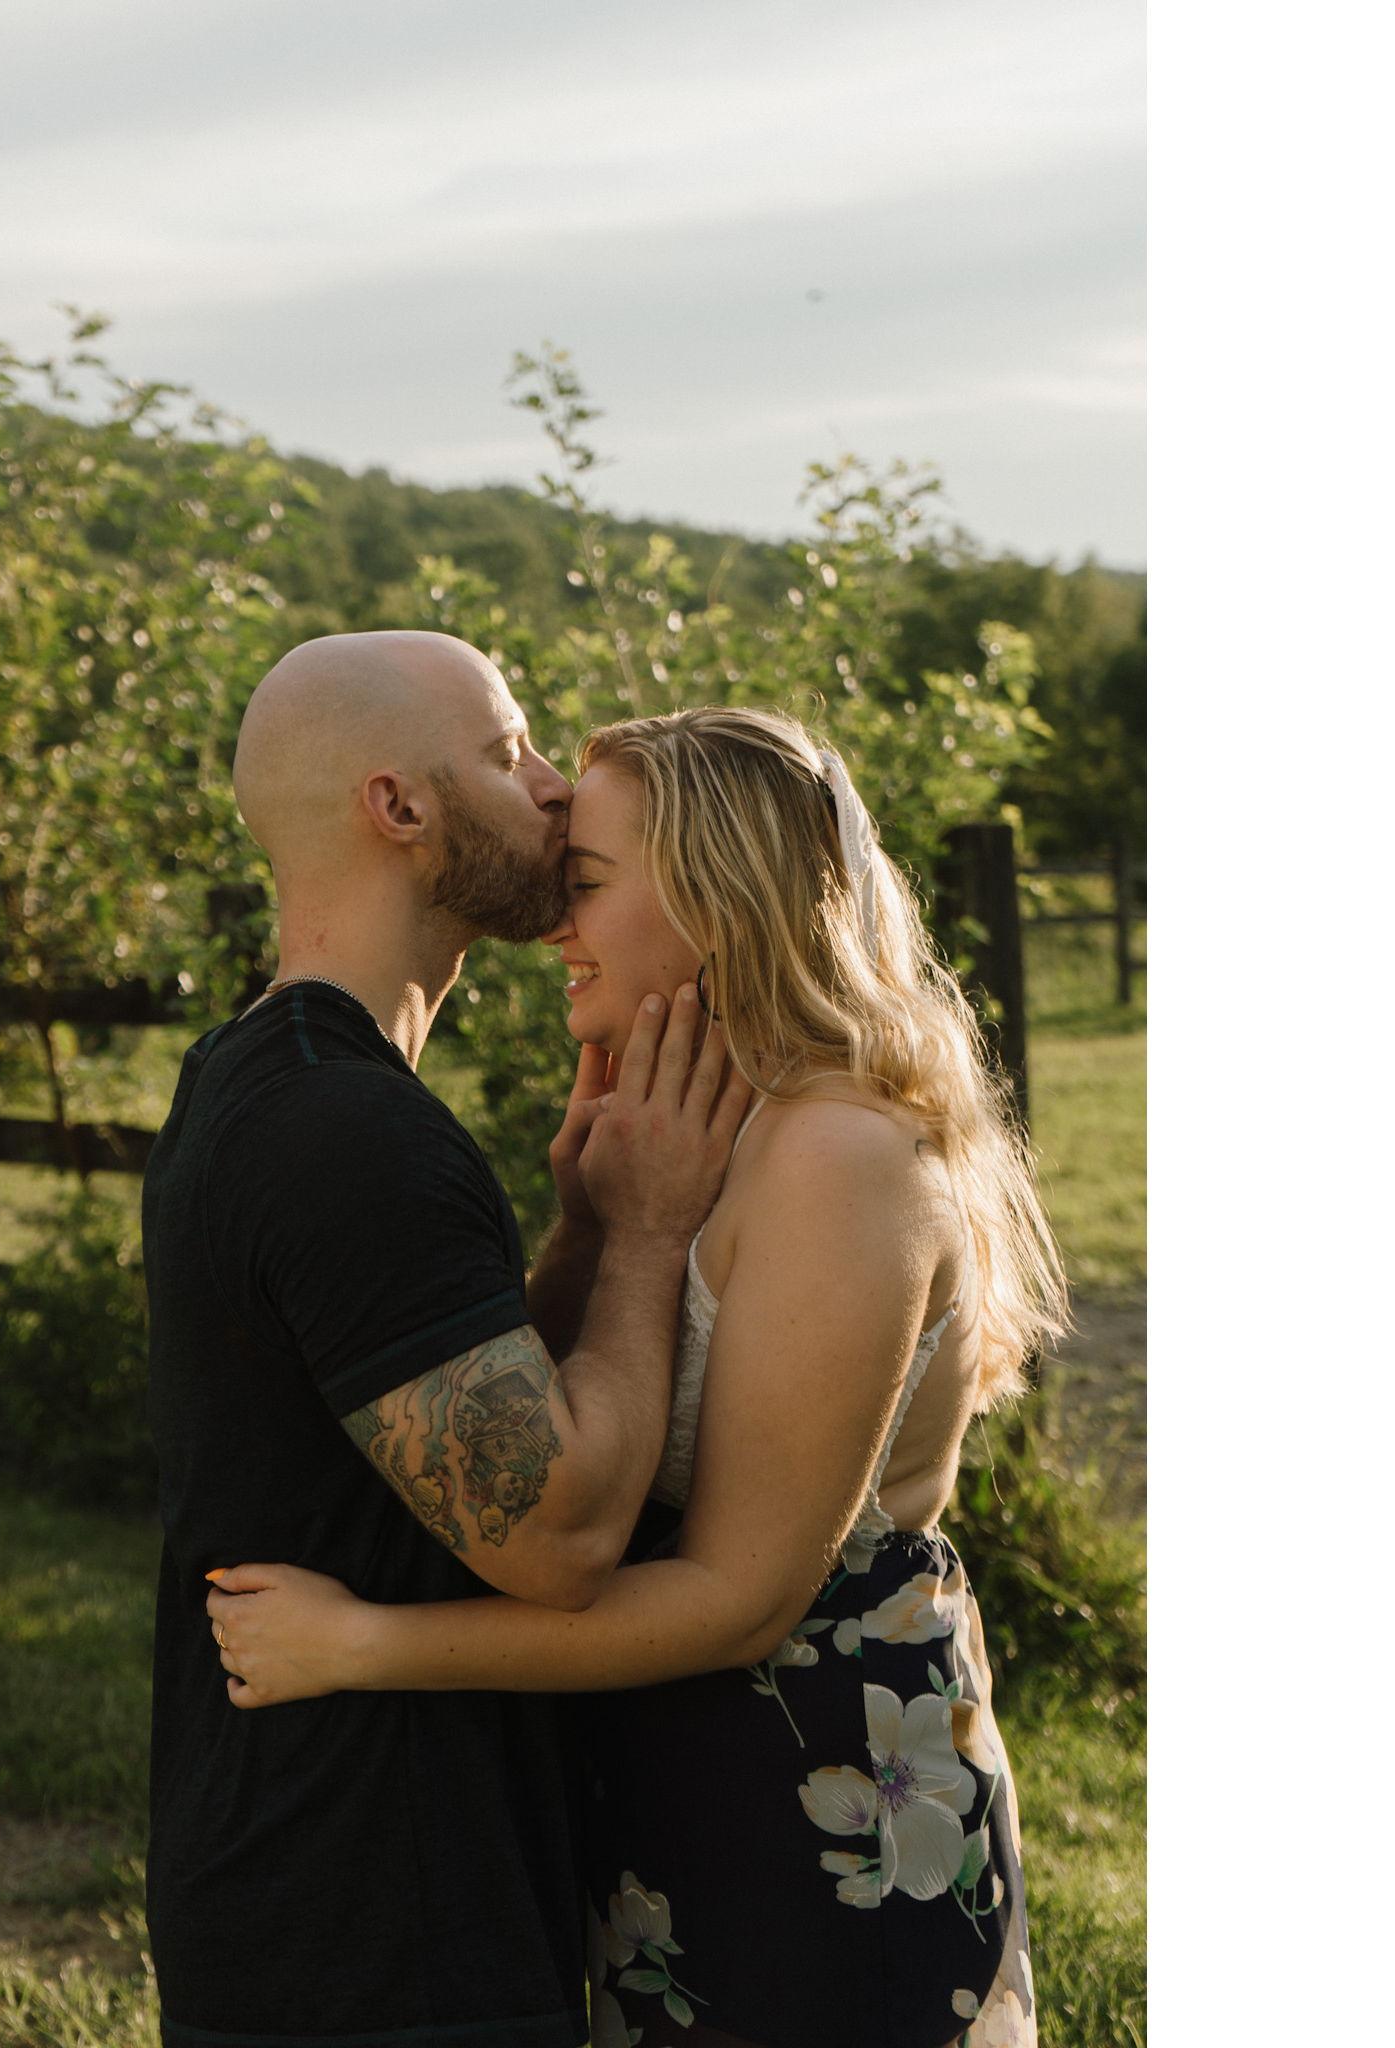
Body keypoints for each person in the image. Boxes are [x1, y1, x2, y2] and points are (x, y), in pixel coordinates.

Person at [204, 705, 1069, 2048]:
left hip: (823, 1795)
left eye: (590, 881)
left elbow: (737, 1598)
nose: (557, 919)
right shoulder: (701, 1130)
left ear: (720, 901)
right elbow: (567, 1434)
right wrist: (593, 1223)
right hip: (681, 1773)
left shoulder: (837, 1153)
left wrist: (364, 1647)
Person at [141, 633, 755, 2048]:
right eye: (506, 750)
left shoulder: (267, 1077)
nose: (553, 789)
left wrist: (580, 1232)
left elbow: (412, 1428)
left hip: (314, 1893)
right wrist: (648, 1232)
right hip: (376, 1931)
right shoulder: (348, 1133)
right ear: (399, 806)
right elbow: (559, 1536)